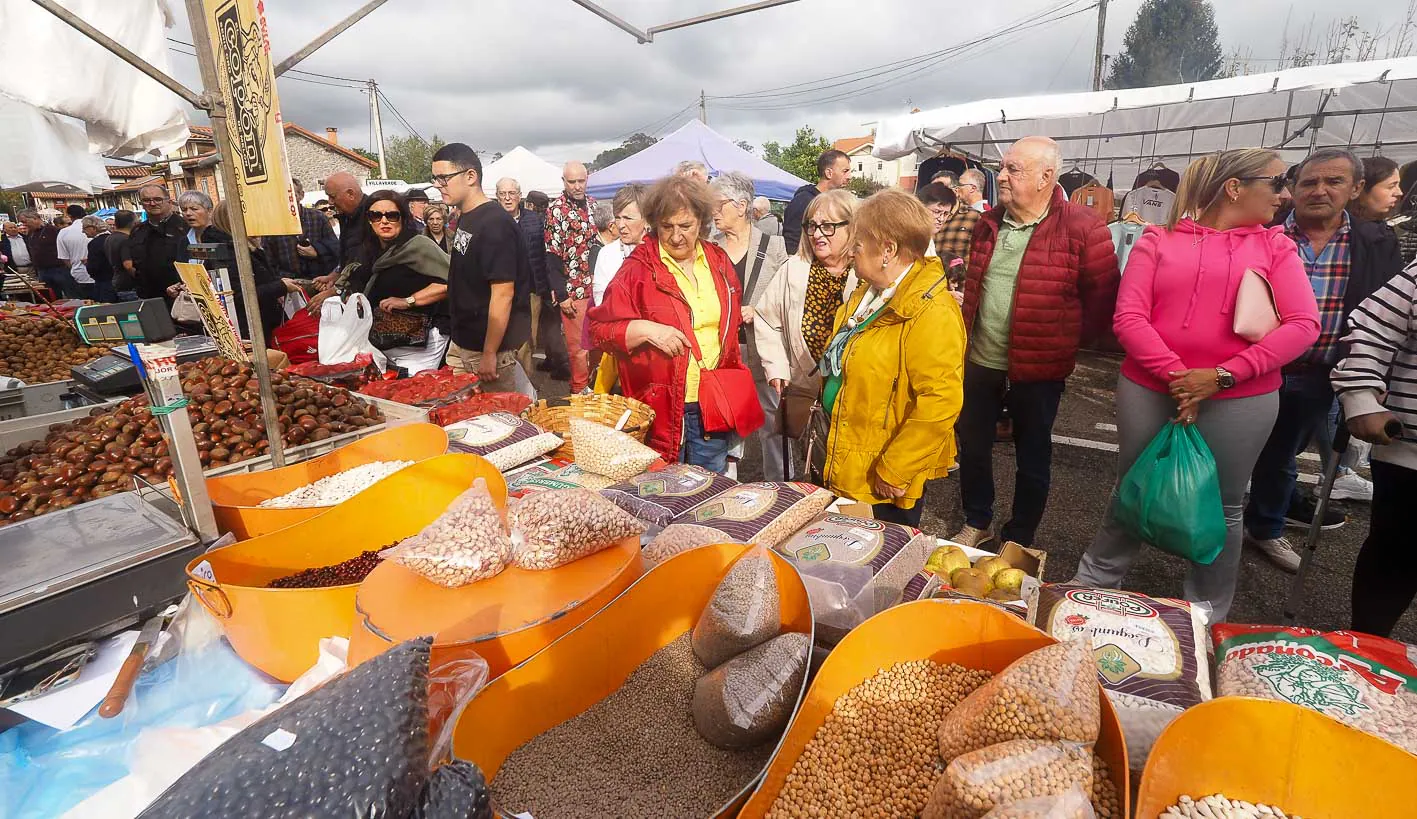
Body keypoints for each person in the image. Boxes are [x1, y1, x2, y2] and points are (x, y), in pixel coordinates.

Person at [1072, 149, 1321, 622]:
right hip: (1150, 388)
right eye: (1276, 182)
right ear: (1234, 187)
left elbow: (1303, 325)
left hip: (1241, 398)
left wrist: (1223, 375)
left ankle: (1204, 613)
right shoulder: (1156, 240)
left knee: (1225, 506)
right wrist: (1179, 378)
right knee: (1133, 487)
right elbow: (1128, 317)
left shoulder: (1276, 247)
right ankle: (1093, 585)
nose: (1285, 194)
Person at [953, 136, 1120, 550]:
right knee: (973, 445)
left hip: (1040, 366)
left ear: (1048, 177)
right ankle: (977, 520)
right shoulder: (988, 223)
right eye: (1002, 168)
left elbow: (1103, 300)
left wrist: (1063, 341)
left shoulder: (1084, 227)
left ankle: (1020, 535)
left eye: (1013, 169)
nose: (1002, 176)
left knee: (1033, 453)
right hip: (979, 358)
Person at [1243, 148, 1406, 570]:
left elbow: (1388, 313)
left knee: (1282, 453)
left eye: (1333, 182)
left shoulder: (1376, 242)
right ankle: (1214, 525)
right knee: (1234, 448)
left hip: (1321, 372)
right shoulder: (1262, 231)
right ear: (1292, 190)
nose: (1320, 191)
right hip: (1255, 366)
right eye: (1309, 183)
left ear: (1354, 188)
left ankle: (1264, 528)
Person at [818, 190, 965, 525]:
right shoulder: (868, 291)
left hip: (882, 475)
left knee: (869, 561)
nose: (850, 251)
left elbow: (941, 401)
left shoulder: (931, 311)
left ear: (887, 250)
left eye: (857, 244)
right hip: (848, 454)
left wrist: (896, 468)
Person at [588, 175, 752, 472]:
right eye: (667, 227)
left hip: (712, 404)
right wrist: (645, 329)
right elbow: (599, 331)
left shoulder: (718, 261)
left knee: (708, 492)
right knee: (659, 493)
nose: (677, 236)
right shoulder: (637, 269)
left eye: (686, 226)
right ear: (654, 224)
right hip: (659, 407)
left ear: (702, 222)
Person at [1332, 264, 1417, 637]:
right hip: (1409, 453)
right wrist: (1360, 397)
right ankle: (1366, 652)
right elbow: (1373, 326)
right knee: (1393, 559)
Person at [754, 189, 859, 477]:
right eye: (812, 225)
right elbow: (767, 319)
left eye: (828, 226)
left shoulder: (866, 273)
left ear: (853, 227)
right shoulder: (793, 270)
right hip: (806, 393)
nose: (817, 234)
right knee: (815, 466)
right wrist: (776, 367)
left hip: (856, 398)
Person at [431, 142, 533, 393]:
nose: (437, 185)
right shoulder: (467, 215)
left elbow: (503, 293)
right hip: (466, 343)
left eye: (443, 178)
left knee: (501, 424)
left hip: (489, 351)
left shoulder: (495, 224)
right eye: (435, 179)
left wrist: (489, 352)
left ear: (470, 176)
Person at [711, 171, 790, 479]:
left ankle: (781, 485)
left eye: (719, 205)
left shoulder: (774, 245)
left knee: (772, 421)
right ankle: (724, 486)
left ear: (741, 206)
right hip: (723, 351)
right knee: (726, 421)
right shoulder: (710, 247)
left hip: (763, 347)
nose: (713, 212)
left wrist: (758, 309)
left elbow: (786, 294)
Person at [352, 191, 451, 375]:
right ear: (368, 220)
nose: (384, 221)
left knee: (416, 393)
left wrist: (409, 300)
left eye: (391, 215)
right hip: (383, 340)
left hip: (421, 342)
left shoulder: (419, 245)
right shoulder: (369, 249)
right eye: (376, 215)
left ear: (403, 218)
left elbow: (450, 282)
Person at [496, 177, 565, 380]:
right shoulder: (491, 220)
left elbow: (545, 256)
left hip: (532, 290)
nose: (508, 198)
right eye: (503, 194)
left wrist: (551, 286)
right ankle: (504, 382)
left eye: (512, 193)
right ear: (497, 197)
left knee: (527, 338)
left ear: (520, 196)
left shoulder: (535, 220)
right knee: (501, 337)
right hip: (500, 289)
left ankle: (524, 384)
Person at [544, 161, 598, 393]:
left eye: (581, 181)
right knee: (578, 349)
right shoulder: (555, 210)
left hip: (598, 287)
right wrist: (562, 294)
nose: (577, 186)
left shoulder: (595, 206)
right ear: (563, 182)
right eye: (572, 181)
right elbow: (552, 256)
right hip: (574, 290)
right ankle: (578, 392)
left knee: (598, 344)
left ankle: (596, 390)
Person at [589, 183, 648, 394]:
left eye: (628, 218)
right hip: (619, 348)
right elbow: (602, 305)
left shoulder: (662, 253)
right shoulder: (607, 254)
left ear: (647, 219)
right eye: (618, 217)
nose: (621, 225)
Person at [263, 179, 338, 281]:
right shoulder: (272, 225)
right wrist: (282, 283)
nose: (287, 199)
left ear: (301, 195)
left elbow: (335, 250)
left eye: (291, 194)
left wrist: (317, 252)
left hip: (320, 282)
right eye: (281, 195)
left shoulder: (318, 218)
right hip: (289, 286)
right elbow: (268, 262)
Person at [783, 149, 853, 255]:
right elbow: (791, 244)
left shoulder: (837, 203)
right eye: (845, 171)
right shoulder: (803, 201)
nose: (849, 177)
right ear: (829, 173)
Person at [128, 185, 189, 303]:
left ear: (169, 201)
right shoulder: (138, 231)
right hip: (148, 297)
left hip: (178, 297)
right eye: (146, 200)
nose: (152, 203)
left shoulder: (184, 227)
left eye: (157, 199)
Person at [918, 181, 980, 265]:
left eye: (946, 214)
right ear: (921, 208)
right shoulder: (908, 238)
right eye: (936, 212)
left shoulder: (929, 241)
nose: (941, 218)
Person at [323, 171, 371, 276]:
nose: (330, 202)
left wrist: (335, 289)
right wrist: (335, 275)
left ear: (350, 194)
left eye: (332, 196)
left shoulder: (373, 217)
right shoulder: (347, 217)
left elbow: (365, 265)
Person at [57, 204, 94, 299]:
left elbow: (64, 258)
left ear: (69, 216)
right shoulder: (97, 227)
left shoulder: (64, 232)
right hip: (101, 275)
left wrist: (74, 267)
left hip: (79, 275)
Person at [1352, 157, 1402, 223]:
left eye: (1398, 185)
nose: (1400, 193)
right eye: (1391, 186)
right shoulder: (1344, 230)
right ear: (1359, 189)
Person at [81, 216, 117, 302]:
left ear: (93, 228)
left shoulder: (95, 243)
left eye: (84, 228)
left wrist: (87, 264)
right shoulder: (113, 238)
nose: (82, 231)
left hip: (105, 283)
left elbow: (94, 267)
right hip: (119, 281)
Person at [107, 209, 138, 299]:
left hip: (118, 281)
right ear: (132, 223)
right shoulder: (126, 240)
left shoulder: (110, 238)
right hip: (129, 285)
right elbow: (128, 265)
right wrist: (141, 278)